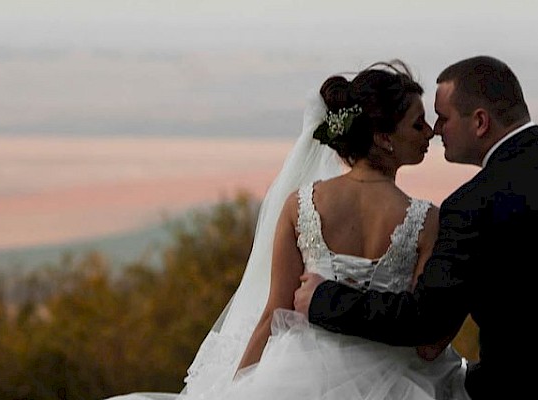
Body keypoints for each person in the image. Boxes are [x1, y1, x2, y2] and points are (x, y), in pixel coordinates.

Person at [295, 56, 538, 399]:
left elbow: (425, 320)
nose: (435, 130)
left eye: (444, 118)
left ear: (479, 122)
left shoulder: (471, 205)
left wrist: (325, 299)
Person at [109, 60, 467, 400]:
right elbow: (424, 339)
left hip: (296, 374)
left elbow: (274, 312)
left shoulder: (302, 204)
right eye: (418, 124)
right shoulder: (426, 219)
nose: (431, 132)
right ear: (383, 137)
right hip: (398, 379)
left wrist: (238, 388)